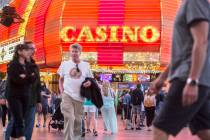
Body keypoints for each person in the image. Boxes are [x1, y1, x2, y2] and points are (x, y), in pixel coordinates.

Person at [150, 0, 210, 140]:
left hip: (188, 78)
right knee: (204, 130)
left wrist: (193, 80)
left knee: (160, 128)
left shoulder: (195, 2)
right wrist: (162, 78)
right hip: (195, 78)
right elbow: (183, 53)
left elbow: (201, 42)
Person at [5, 41, 42, 140]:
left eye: (34, 49)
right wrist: (6, 98)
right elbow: (9, 82)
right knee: (15, 122)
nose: (32, 51)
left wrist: (39, 101)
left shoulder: (34, 66)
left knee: (29, 126)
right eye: (30, 48)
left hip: (32, 99)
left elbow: (37, 84)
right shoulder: (13, 64)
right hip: (17, 98)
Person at [57, 43, 93, 140]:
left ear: (80, 52)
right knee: (69, 117)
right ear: (70, 52)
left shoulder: (86, 65)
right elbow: (60, 80)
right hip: (67, 95)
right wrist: (62, 92)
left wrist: (89, 83)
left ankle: (76, 138)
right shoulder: (64, 64)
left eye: (76, 51)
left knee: (78, 120)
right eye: (72, 51)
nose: (74, 53)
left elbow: (91, 80)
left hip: (80, 97)